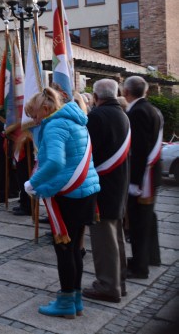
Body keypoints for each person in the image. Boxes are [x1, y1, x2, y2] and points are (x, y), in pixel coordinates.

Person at [23, 87, 100, 319]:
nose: (34, 121)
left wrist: (32, 183)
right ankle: (75, 299)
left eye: (35, 115)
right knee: (75, 248)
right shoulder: (76, 121)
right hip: (86, 192)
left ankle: (66, 301)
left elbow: (56, 163)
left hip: (69, 196)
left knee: (64, 250)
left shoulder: (55, 125)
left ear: (46, 109)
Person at [82, 79, 131, 303]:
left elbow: (87, 152)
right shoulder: (122, 114)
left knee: (104, 240)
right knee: (116, 236)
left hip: (103, 185)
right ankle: (118, 282)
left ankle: (107, 286)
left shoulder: (97, 117)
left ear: (95, 96)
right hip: (118, 184)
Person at [123, 75, 163, 279]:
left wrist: (134, 182)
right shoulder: (152, 109)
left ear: (126, 92)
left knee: (138, 222)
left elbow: (139, 151)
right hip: (151, 175)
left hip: (143, 179)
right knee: (148, 219)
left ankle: (140, 267)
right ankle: (151, 256)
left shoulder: (137, 113)